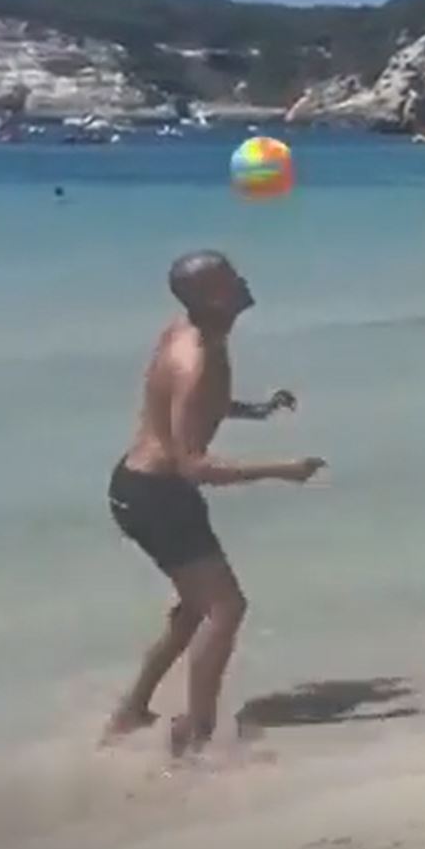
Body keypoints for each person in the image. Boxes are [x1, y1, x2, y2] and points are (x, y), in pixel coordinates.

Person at [104, 251, 325, 756]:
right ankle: (196, 739)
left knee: (192, 612)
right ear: (210, 298)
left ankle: (130, 713)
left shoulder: (187, 334)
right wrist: (283, 470)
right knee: (226, 608)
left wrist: (257, 410)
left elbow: (190, 403)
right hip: (158, 495)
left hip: (139, 486)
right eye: (230, 279)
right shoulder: (199, 355)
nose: (243, 280)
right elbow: (194, 466)